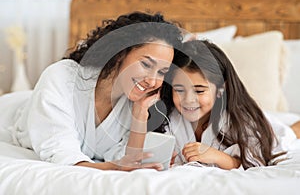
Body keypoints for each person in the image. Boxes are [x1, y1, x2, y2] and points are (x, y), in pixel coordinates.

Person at [1, 11, 182, 171]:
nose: (153, 80)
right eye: (146, 64)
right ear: (119, 53)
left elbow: (127, 161)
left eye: (162, 72)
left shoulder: (136, 103)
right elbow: (61, 153)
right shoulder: (61, 77)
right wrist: (113, 167)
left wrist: (139, 117)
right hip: (10, 114)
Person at [157, 39, 293, 170]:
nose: (188, 99)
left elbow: (255, 162)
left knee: (287, 132)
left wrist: (219, 157)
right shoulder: (167, 117)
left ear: (221, 90)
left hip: (269, 125)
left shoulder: (242, 119)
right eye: (179, 90)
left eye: (199, 91)